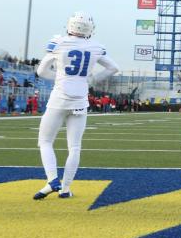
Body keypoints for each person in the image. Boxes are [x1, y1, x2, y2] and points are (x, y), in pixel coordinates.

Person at [33, 12, 119, 199]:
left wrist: (59, 77)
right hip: (80, 98)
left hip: (59, 97)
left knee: (45, 141)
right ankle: (65, 189)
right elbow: (113, 68)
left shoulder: (58, 42)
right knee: (75, 146)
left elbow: (41, 71)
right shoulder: (96, 46)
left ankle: (52, 179)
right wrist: (93, 79)